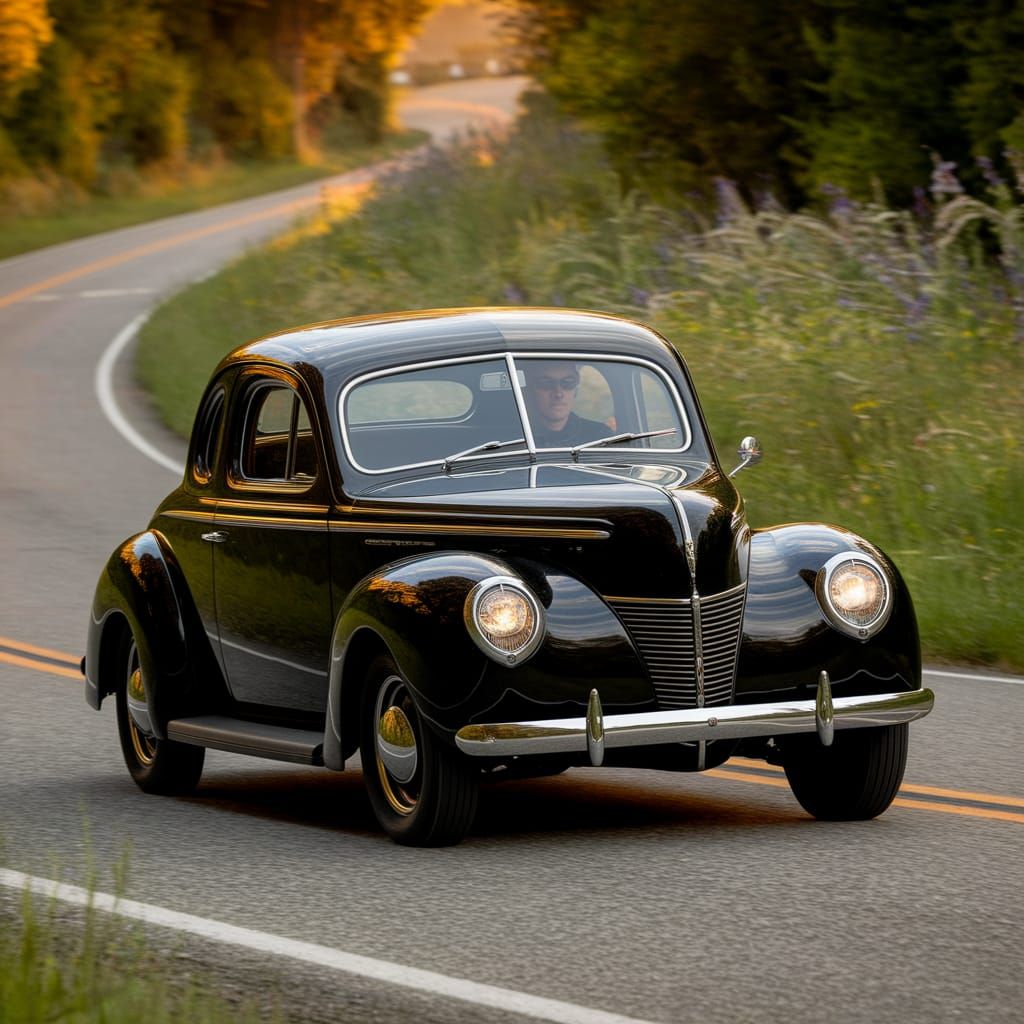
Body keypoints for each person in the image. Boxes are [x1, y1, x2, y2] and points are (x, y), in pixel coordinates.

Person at [523, 361, 610, 448]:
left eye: (567, 383)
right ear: (529, 390)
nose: (558, 394)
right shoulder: (514, 438)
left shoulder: (599, 438)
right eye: (546, 383)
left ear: (576, 391)